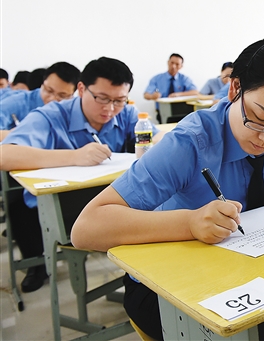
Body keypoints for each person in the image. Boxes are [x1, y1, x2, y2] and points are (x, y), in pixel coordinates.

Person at [71, 36, 264, 340]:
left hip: (252, 272)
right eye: (258, 118)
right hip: (168, 289)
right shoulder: (190, 142)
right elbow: (87, 228)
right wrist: (190, 223)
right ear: (235, 88)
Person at [0, 57, 153, 293]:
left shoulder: (126, 113)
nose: (110, 108)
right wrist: (73, 156)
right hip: (66, 207)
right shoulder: (50, 116)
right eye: (102, 98)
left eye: (119, 101)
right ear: (81, 89)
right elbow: (4, 155)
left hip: (114, 204)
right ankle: (38, 267)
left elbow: (154, 137)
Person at [0, 61, 81, 140]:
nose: (52, 99)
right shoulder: (17, 102)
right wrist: (16, 134)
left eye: (62, 96)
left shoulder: (74, 111)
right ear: (43, 83)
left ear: (72, 95)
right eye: (49, 91)